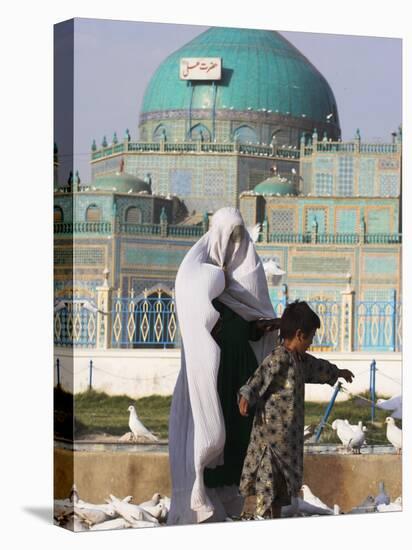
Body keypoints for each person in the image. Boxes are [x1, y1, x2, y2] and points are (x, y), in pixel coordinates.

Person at [167, 207, 279, 525]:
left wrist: (266, 325)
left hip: (240, 370)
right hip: (214, 373)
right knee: (212, 431)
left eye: (239, 237)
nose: (234, 244)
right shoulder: (201, 277)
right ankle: (202, 503)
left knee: (239, 435)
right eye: (230, 237)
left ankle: (227, 507)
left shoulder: (242, 283)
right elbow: (203, 324)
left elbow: (248, 325)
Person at [238, 300, 355, 519]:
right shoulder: (279, 358)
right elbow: (259, 378)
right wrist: (246, 395)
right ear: (300, 335)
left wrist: (338, 372)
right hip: (269, 441)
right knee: (267, 486)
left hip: (288, 442)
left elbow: (319, 367)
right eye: (311, 337)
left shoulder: (300, 361)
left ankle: (276, 520)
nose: (311, 342)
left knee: (281, 491)